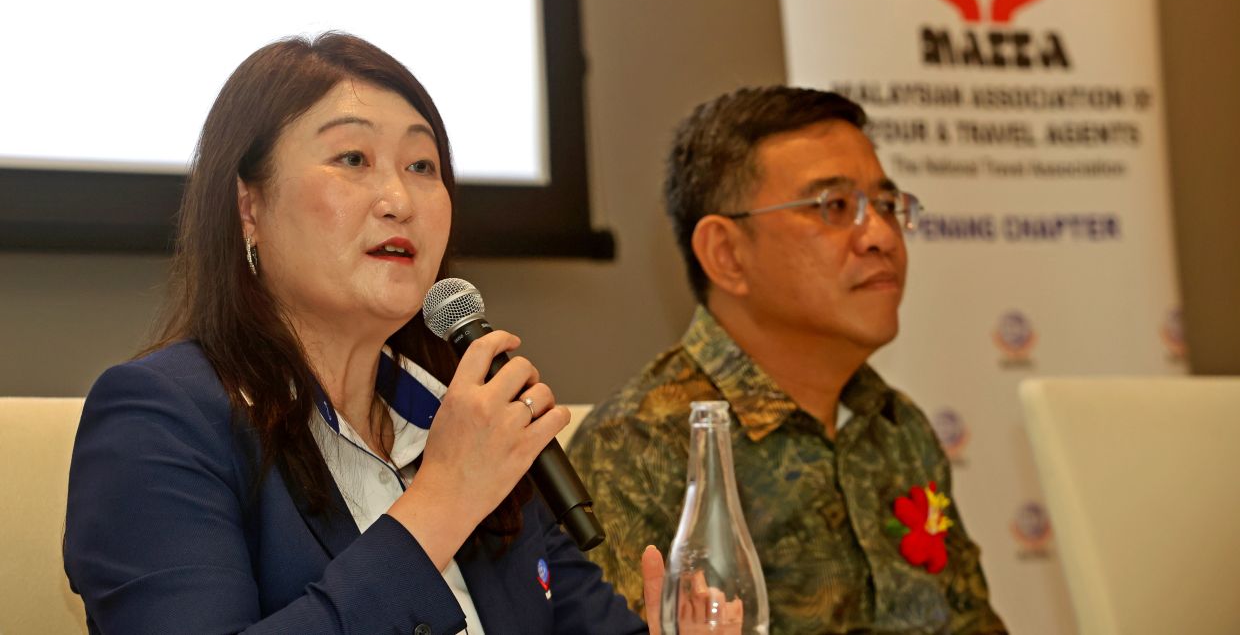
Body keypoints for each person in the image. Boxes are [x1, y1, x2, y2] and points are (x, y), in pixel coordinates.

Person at [63, 33, 656, 634]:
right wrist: (442, 504)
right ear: (248, 207)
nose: (399, 199)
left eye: (422, 166)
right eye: (353, 159)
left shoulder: (463, 418)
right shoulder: (159, 419)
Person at [568, 86, 1007, 634]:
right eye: (834, 207)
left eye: (887, 206)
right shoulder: (640, 448)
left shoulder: (896, 427)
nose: (880, 237)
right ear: (726, 255)